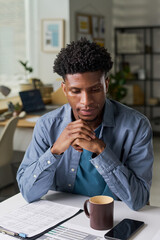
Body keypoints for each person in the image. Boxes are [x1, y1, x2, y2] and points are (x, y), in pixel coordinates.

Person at [17, 38, 153, 211]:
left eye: (95, 89)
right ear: (65, 89)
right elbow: (28, 193)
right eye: (75, 91)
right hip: (59, 217)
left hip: (112, 217)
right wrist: (55, 150)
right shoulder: (47, 125)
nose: (86, 101)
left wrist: (101, 151)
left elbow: (139, 199)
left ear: (106, 85)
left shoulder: (136, 126)